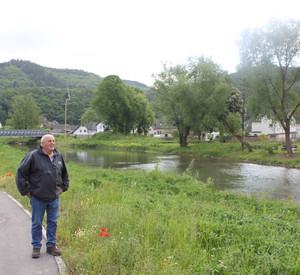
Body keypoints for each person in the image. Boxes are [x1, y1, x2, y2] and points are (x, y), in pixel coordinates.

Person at [16, 134, 69, 258]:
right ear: (42, 143)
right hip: (38, 198)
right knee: (37, 223)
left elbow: (64, 174)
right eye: (49, 141)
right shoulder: (33, 156)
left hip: (54, 198)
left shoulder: (58, 156)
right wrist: (26, 191)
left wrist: (63, 188)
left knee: (53, 222)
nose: (52, 143)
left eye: (53, 141)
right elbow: (21, 173)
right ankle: (36, 247)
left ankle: (51, 245)